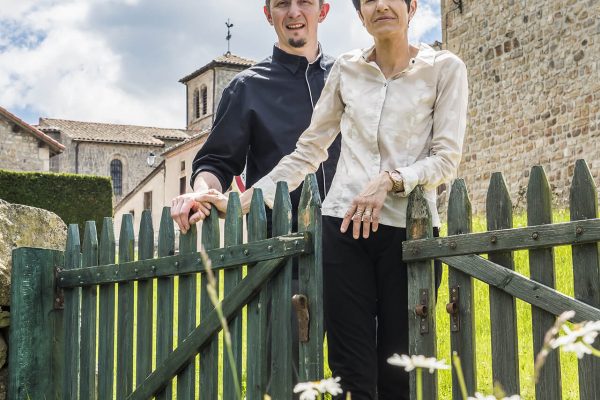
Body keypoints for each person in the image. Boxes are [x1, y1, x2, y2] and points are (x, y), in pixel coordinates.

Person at [196, 0, 468, 398]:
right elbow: (308, 152)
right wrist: (242, 200)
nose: (380, 5)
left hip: (409, 232)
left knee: (399, 371)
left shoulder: (445, 70)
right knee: (349, 374)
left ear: (413, 7)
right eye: (368, 0)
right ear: (360, 15)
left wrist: (391, 181)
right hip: (342, 231)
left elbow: (446, 159)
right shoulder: (347, 69)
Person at [170, 0, 341, 232]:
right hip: (277, 244)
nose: (293, 12)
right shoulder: (245, 88)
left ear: (323, 11)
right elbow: (215, 163)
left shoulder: (348, 79)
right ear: (268, 15)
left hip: (351, 241)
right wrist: (201, 193)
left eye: (304, 2)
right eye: (282, 4)